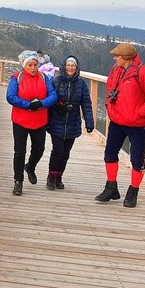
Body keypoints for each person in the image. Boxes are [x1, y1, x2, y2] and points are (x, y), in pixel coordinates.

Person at [95, 43, 145, 208]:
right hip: (117, 121)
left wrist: (139, 114)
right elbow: (110, 87)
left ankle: (133, 192)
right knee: (109, 153)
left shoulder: (143, 72)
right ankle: (111, 187)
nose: (114, 58)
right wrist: (110, 107)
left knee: (137, 160)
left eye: (117, 55)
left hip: (138, 124)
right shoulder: (115, 69)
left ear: (126, 57)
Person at [6, 50, 58, 196]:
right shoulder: (17, 78)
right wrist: (27, 105)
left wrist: (41, 104)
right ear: (24, 65)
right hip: (20, 120)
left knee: (39, 150)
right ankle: (18, 181)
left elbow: (53, 95)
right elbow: (10, 97)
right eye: (29, 65)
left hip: (39, 120)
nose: (33, 68)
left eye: (35, 65)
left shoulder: (43, 78)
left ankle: (30, 166)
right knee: (19, 152)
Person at [46, 56, 94, 190]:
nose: (70, 68)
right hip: (57, 121)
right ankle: (51, 177)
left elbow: (86, 103)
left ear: (77, 67)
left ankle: (59, 177)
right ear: (64, 66)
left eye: (73, 65)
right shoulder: (56, 81)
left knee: (66, 153)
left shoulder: (81, 84)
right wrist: (57, 108)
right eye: (68, 65)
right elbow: (49, 100)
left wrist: (89, 122)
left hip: (73, 123)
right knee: (57, 151)